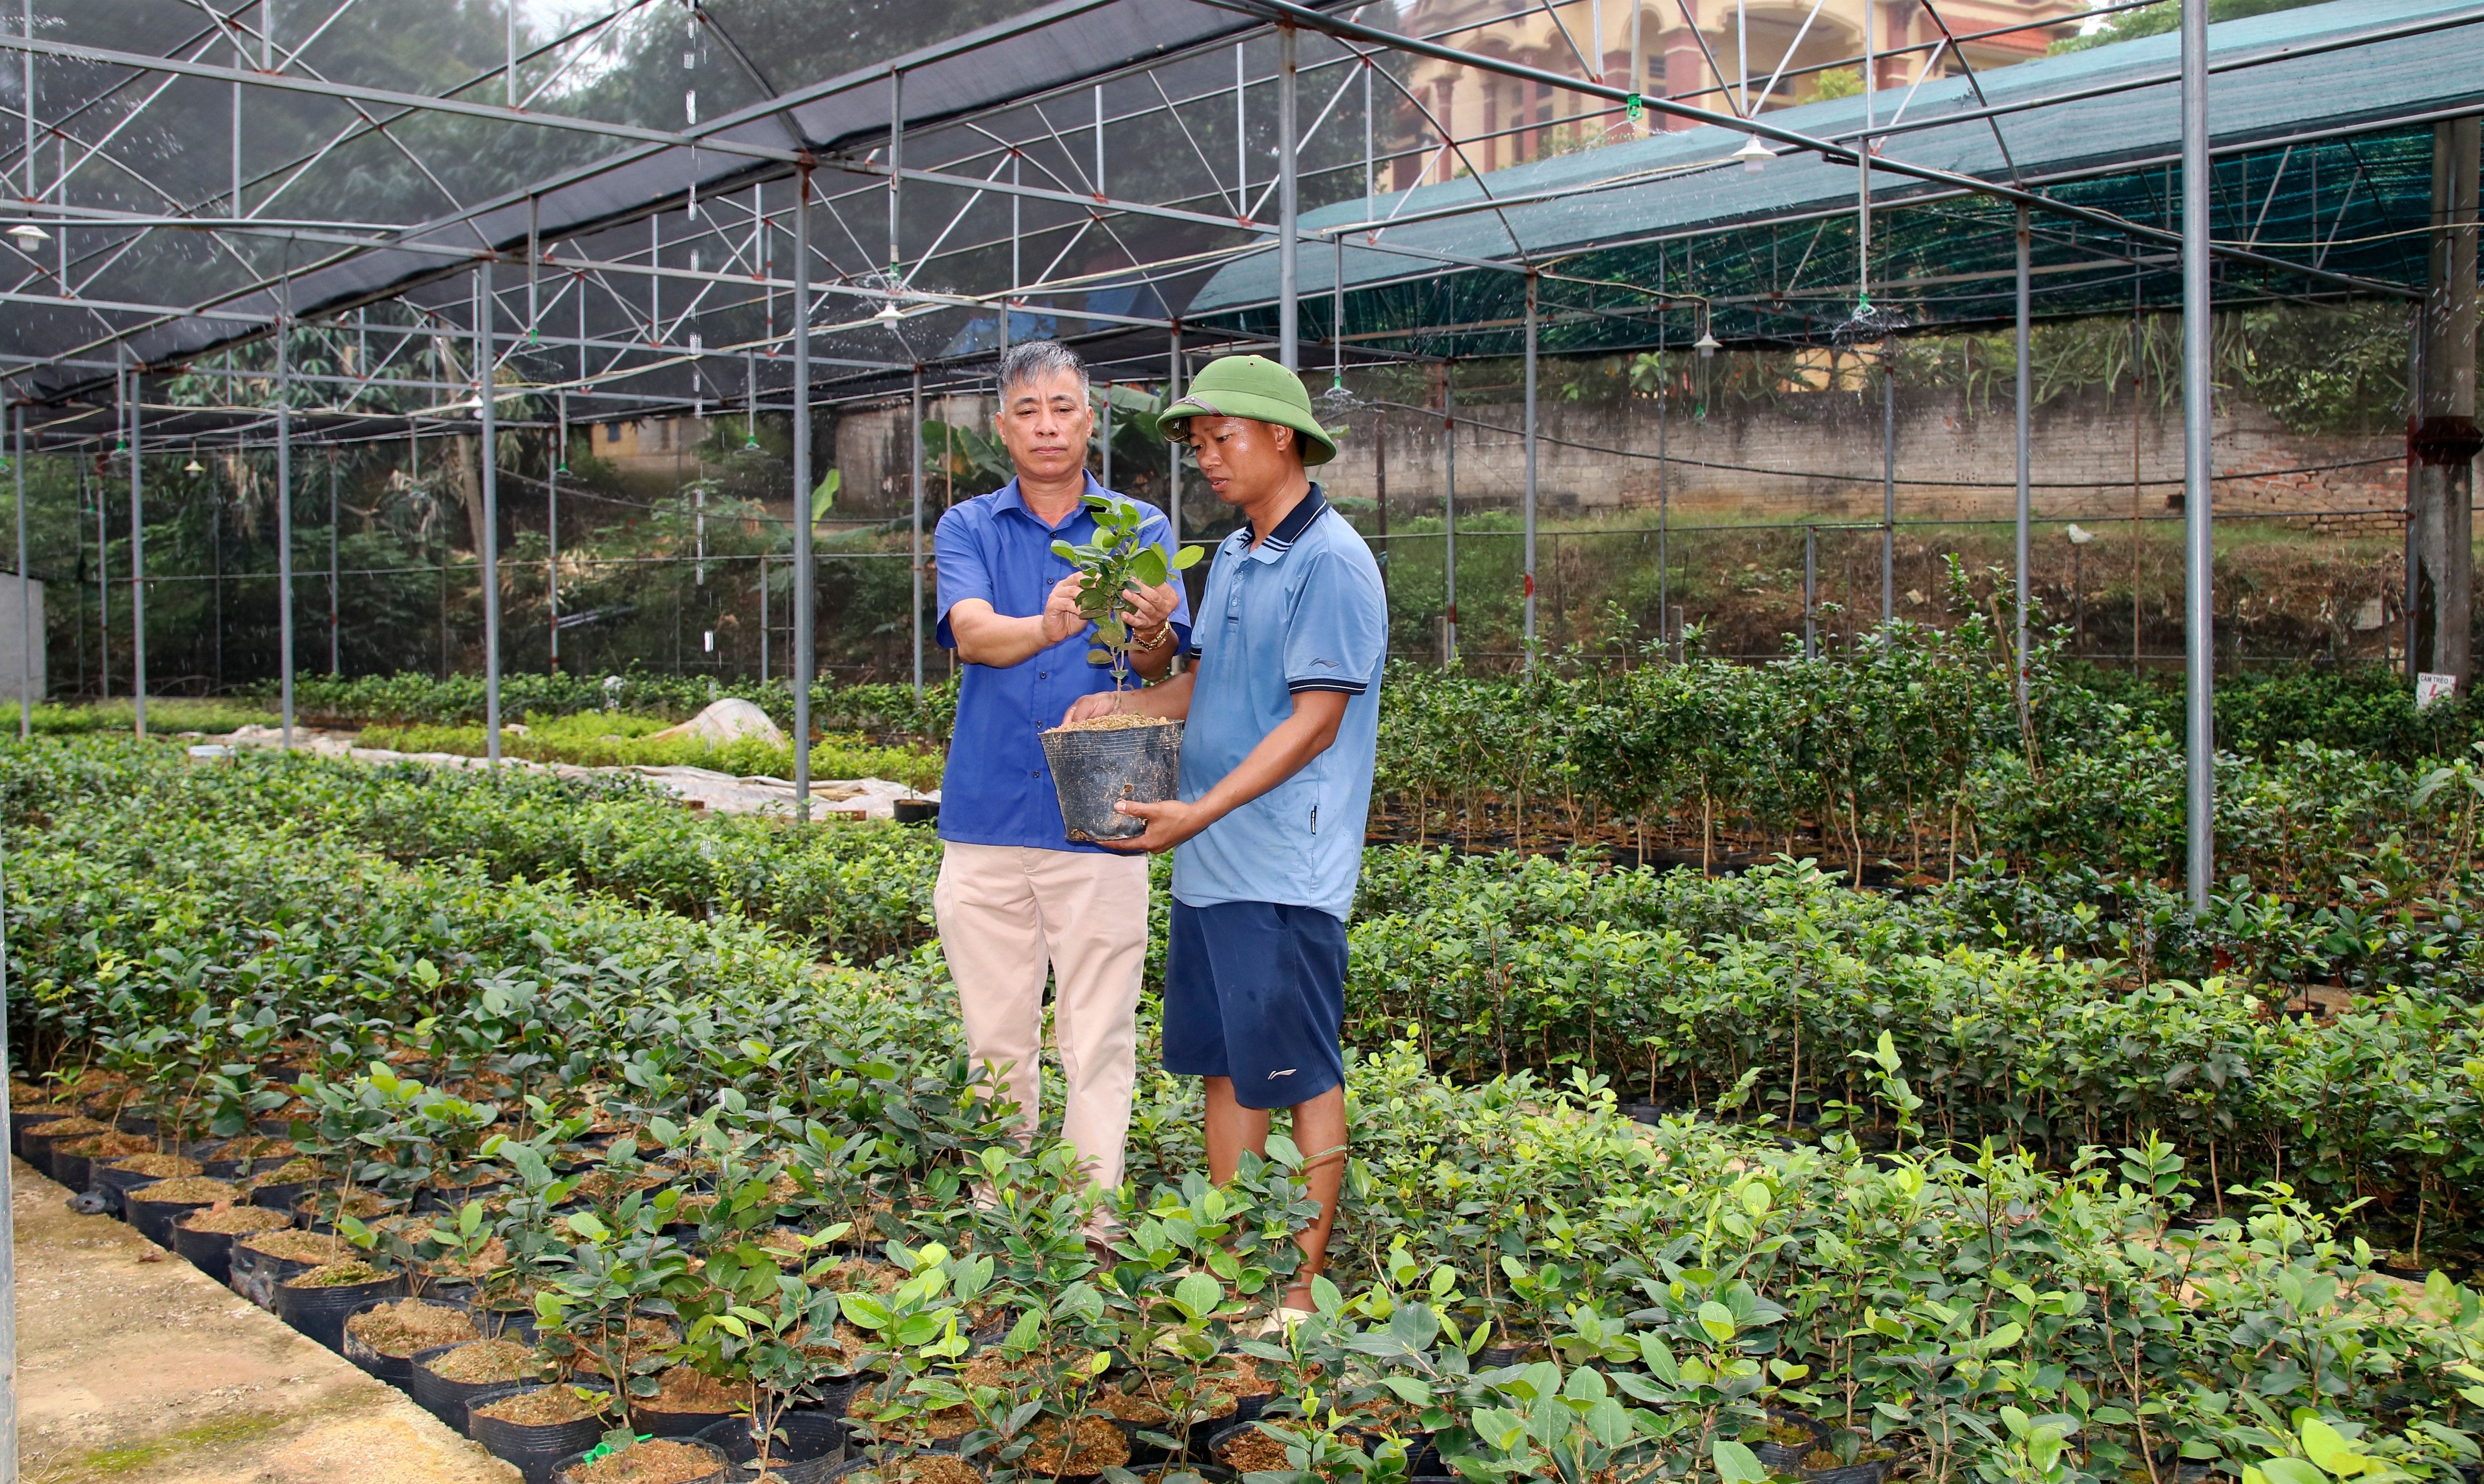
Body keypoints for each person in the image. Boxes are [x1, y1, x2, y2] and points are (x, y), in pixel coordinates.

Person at [1062, 354, 1387, 1321]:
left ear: (1280, 437)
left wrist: (1202, 809)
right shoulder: (1240, 555)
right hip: (1208, 863)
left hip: (1282, 865)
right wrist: (1122, 698)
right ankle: (1232, 1270)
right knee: (1226, 1065)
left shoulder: (1331, 561)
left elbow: (1316, 719)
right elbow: (1199, 690)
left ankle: (1293, 1293)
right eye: (1197, 443)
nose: (1204, 457)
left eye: (1221, 438)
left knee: (1302, 1070)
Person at [932, 340, 1190, 1221]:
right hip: (986, 822)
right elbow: (971, 634)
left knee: (1099, 1035)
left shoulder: (1140, 531)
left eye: (1065, 407)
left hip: (1103, 816)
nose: (1047, 425)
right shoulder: (968, 527)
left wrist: (1152, 627)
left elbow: (1163, 665)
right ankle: (999, 1214)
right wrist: (1049, 624)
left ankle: (1091, 1221)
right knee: (996, 1039)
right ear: (1002, 427)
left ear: (1093, 419)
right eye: (1029, 411)